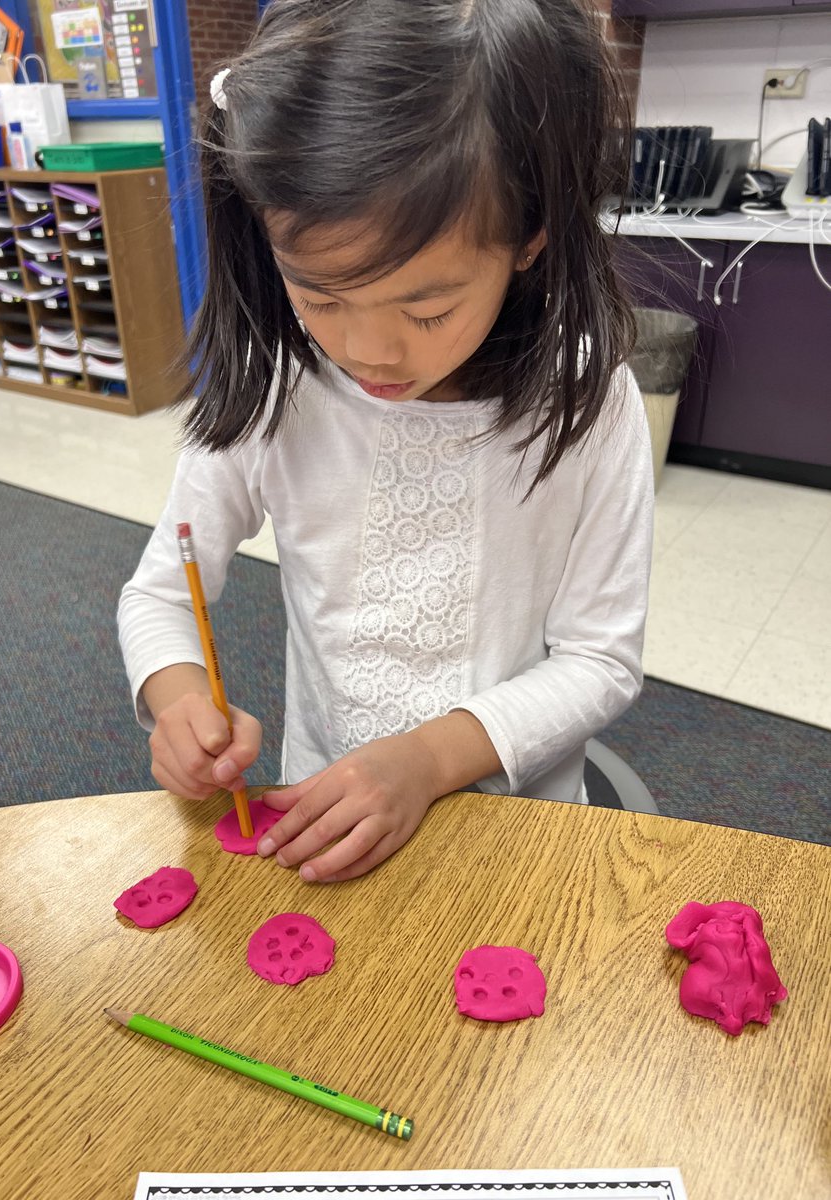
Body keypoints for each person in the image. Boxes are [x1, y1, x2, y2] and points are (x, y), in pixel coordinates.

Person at [118, 0, 653, 883]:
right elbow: (157, 596)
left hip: (514, 842)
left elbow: (600, 661)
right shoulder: (280, 387)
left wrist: (427, 759)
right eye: (321, 297)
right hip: (323, 828)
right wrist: (177, 699)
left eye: (428, 308)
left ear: (530, 237)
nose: (369, 352)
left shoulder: (586, 402)